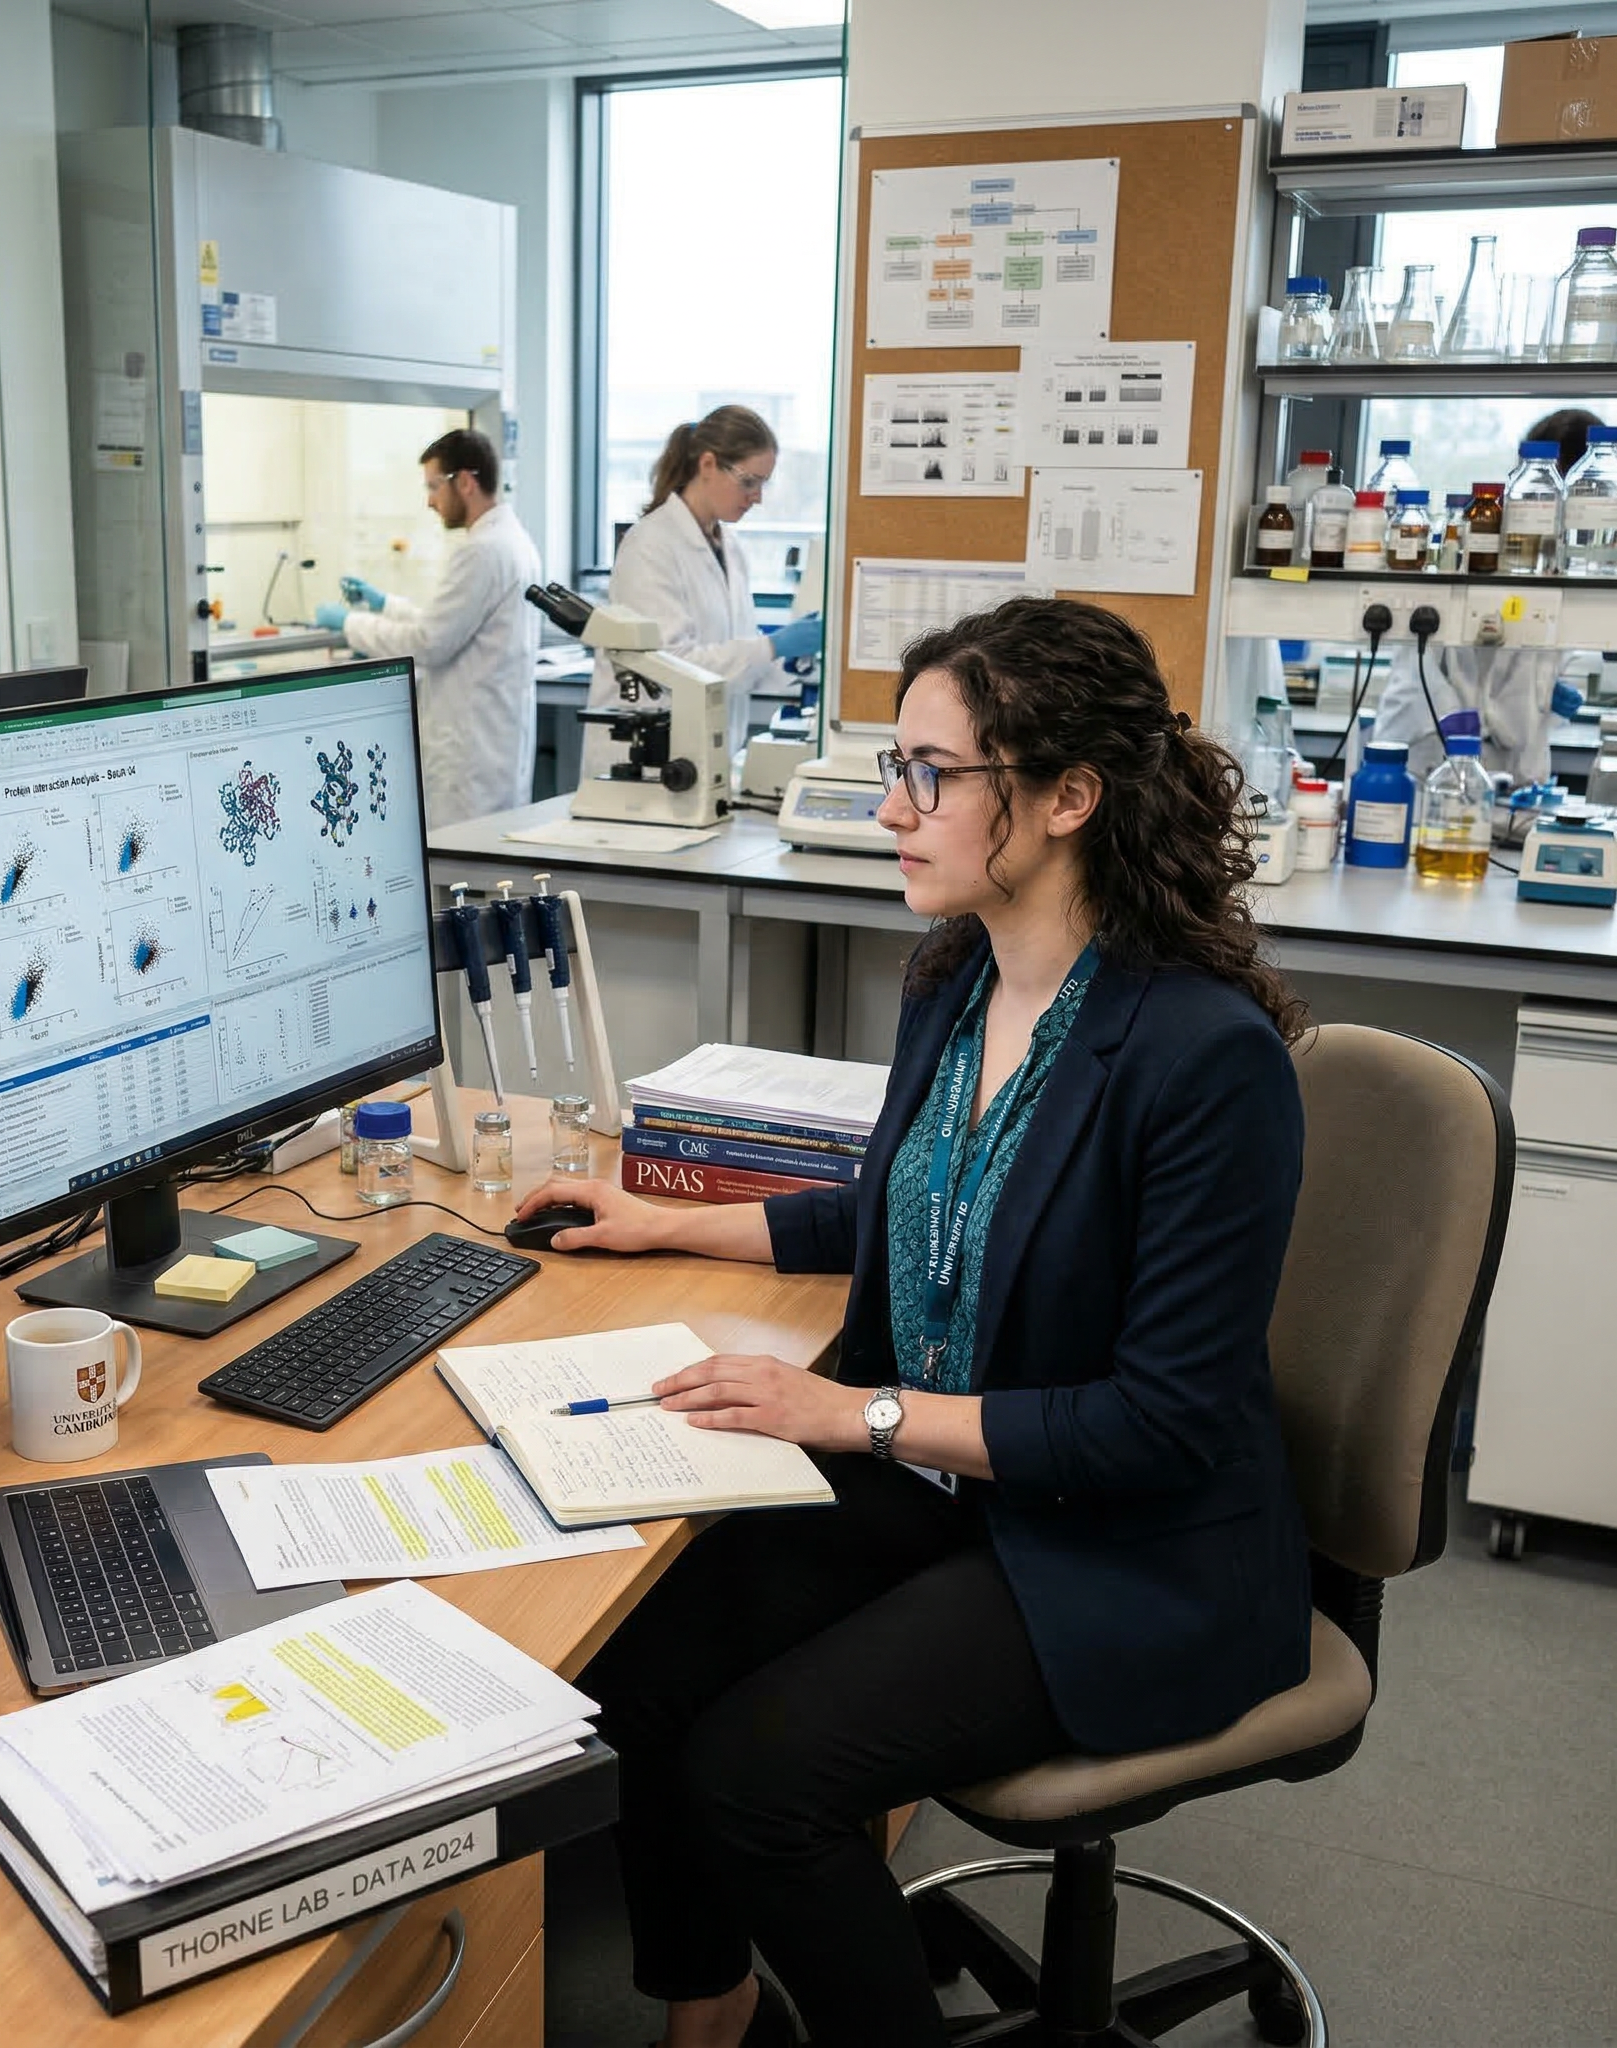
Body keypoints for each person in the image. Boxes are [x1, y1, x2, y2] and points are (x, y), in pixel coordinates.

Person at [515, 597, 1314, 2048]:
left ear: (1067, 798)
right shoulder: (958, 975)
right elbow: (911, 1207)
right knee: (637, 1676)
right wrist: (663, 1217)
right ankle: (713, 2011)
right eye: (898, 767)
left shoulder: (1205, 1058)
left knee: (760, 1778)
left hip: (1126, 1545)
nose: (891, 808)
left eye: (931, 776)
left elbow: (1163, 1422)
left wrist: (851, 1412)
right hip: (959, 1489)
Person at [315, 428, 541, 828]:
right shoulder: (511, 541)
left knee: (462, 859)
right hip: (491, 746)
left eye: (434, 486)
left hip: (469, 759)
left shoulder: (482, 551)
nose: (430, 501)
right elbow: (450, 624)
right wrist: (385, 604)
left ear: (465, 482)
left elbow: (428, 643)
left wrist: (350, 623)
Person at [1370, 407, 1600, 784]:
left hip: (1518, 772)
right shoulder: (1480, 535)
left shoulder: (1579, 557)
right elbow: (1424, 658)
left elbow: (1563, 654)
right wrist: (1468, 715)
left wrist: (1554, 693)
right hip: (1430, 753)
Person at [594, 405, 820, 760]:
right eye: (749, 482)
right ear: (708, 464)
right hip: (649, 757)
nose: (757, 497)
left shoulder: (730, 547)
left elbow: (732, 654)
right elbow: (671, 665)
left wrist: (789, 662)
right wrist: (771, 647)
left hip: (710, 751)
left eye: (763, 484)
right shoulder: (650, 544)